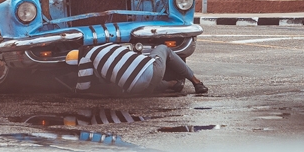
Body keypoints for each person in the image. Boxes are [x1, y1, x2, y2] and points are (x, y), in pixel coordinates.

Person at [74, 43, 208, 96]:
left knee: (142, 80)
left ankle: (173, 84)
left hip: (135, 90)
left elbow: (82, 88)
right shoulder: (107, 46)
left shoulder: (86, 58)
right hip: (152, 72)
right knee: (164, 48)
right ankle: (197, 82)